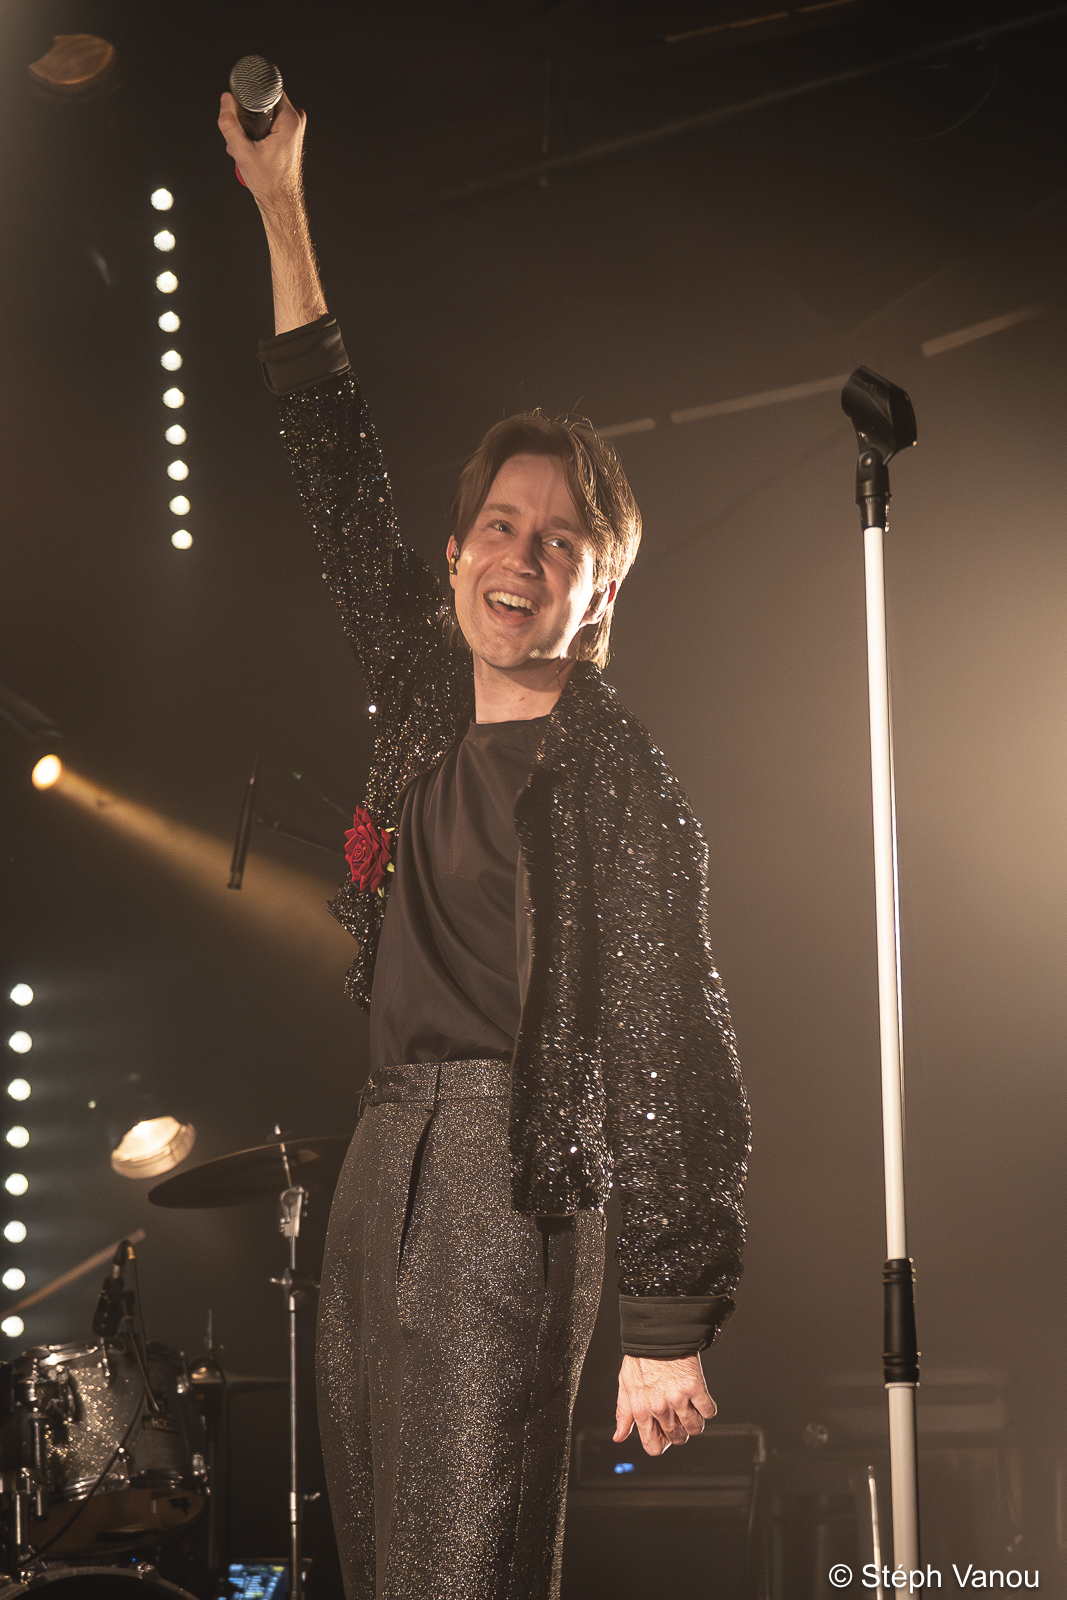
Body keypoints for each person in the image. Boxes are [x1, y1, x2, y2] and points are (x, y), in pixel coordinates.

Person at [219, 88, 750, 1600]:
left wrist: (667, 1318)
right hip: (380, 1152)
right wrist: (281, 205)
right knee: (385, 1567)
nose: (523, 556)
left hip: (512, 1176)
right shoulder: (420, 698)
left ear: (601, 597)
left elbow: (674, 1040)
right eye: (501, 528)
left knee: (462, 1573)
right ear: (455, 556)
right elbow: (332, 456)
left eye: (562, 541)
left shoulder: (615, 780)